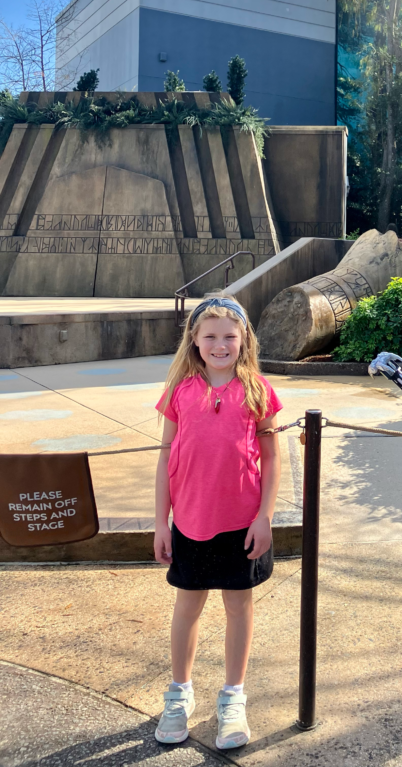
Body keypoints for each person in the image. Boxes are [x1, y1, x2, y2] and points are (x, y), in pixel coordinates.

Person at [153, 295, 282, 749]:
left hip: (240, 522)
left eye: (229, 335)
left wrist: (265, 517)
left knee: (238, 608)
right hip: (189, 521)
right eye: (210, 335)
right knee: (187, 607)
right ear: (194, 339)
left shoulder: (258, 390)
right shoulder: (180, 391)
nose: (220, 344)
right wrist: (160, 522)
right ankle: (180, 692)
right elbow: (166, 455)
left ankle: (232, 696)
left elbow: (271, 456)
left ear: (244, 338)